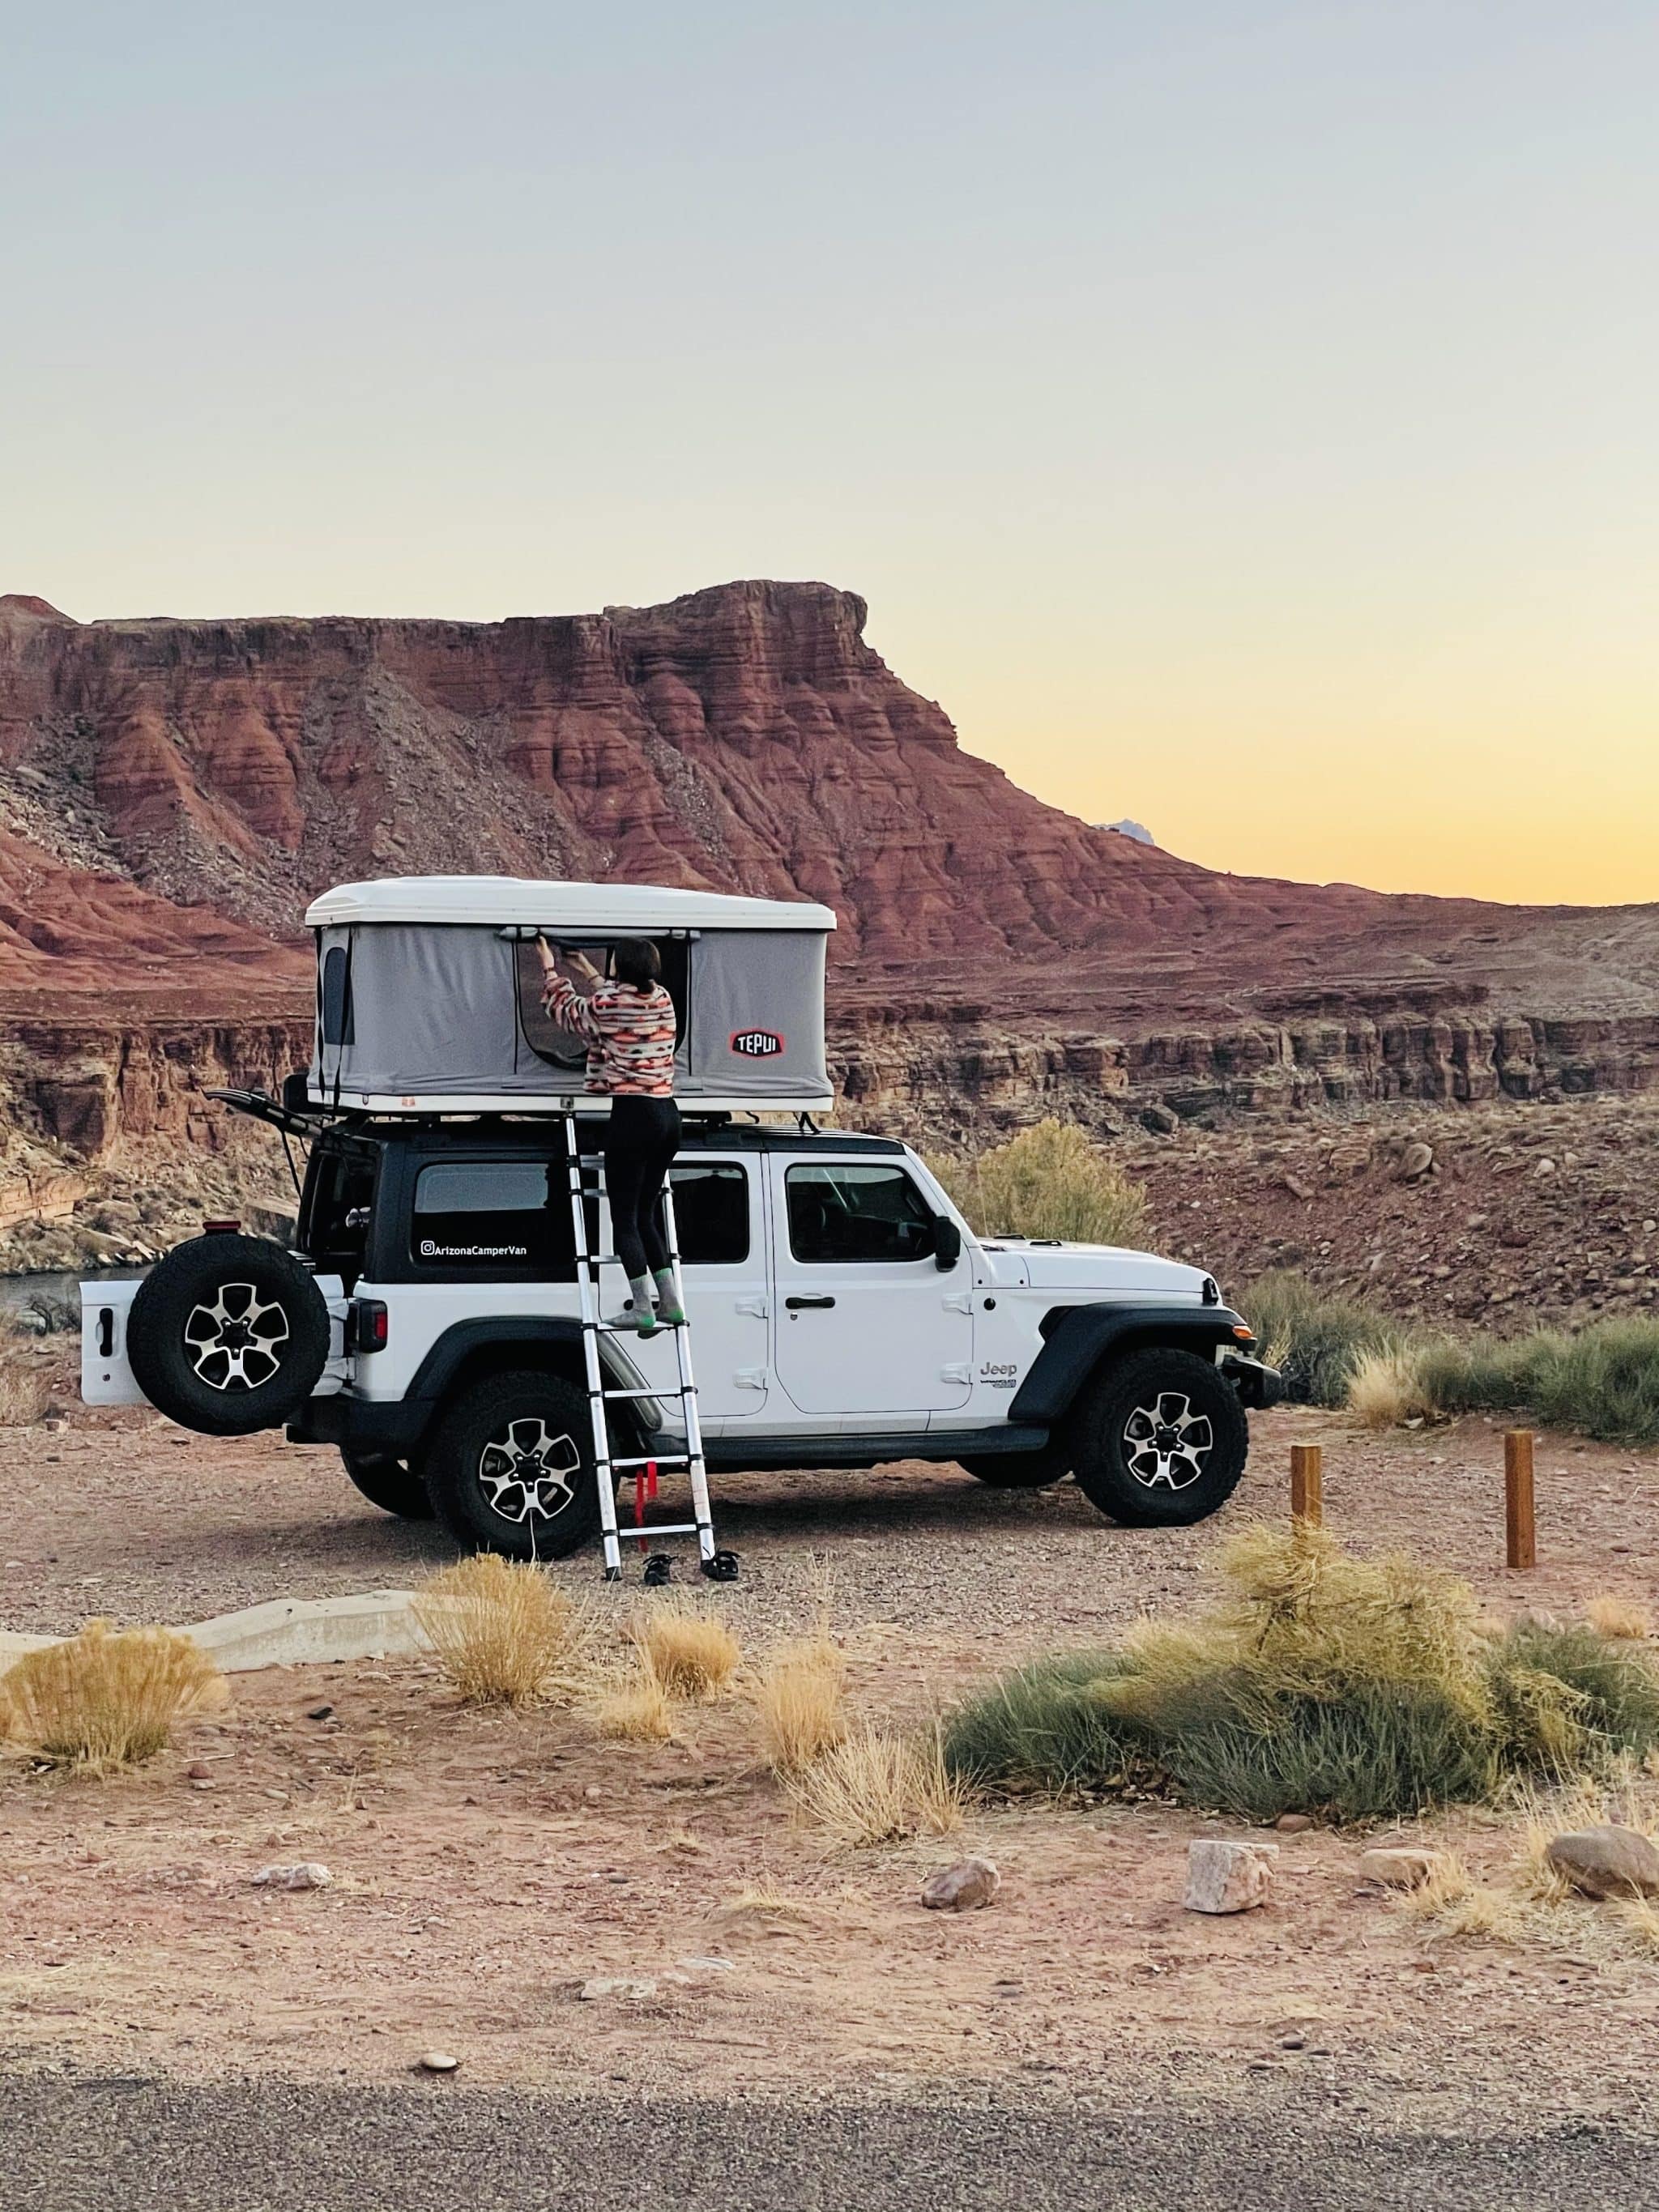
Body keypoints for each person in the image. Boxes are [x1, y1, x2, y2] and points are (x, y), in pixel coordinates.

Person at [535, 936, 684, 1335]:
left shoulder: (609, 1004)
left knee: (624, 1219)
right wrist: (585, 968)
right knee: (646, 1214)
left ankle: (642, 1308)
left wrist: (549, 967)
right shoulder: (662, 998)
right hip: (668, 1115)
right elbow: (615, 1000)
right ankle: (670, 1303)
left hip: (634, 1117)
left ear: (623, 968)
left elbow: (568, 1011)